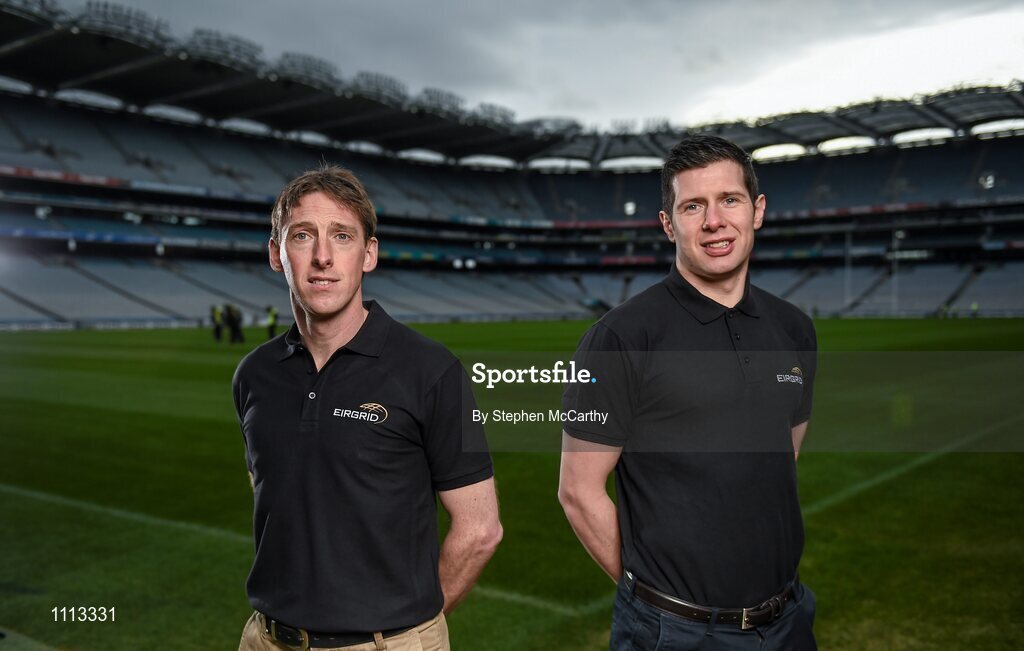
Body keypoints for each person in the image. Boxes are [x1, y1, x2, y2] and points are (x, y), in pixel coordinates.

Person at [558, 135, 818, 650]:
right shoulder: (620, 337)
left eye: (730, 200)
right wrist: (653, 601)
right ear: (668, 223)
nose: (714, 221)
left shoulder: (794, 329)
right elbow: (578, 492)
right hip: (674, 633)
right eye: (693, 206)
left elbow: (783, 456)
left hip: (788, 621)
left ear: (757, 210)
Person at [233, 165, 502, 651]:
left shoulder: (431, 370)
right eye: (302, 236)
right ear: (276, 253)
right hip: (266, 640)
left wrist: (411, 629)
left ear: (369, 254)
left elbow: (480, 530)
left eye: (342, 236)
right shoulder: (254, 374)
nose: (322, 257)